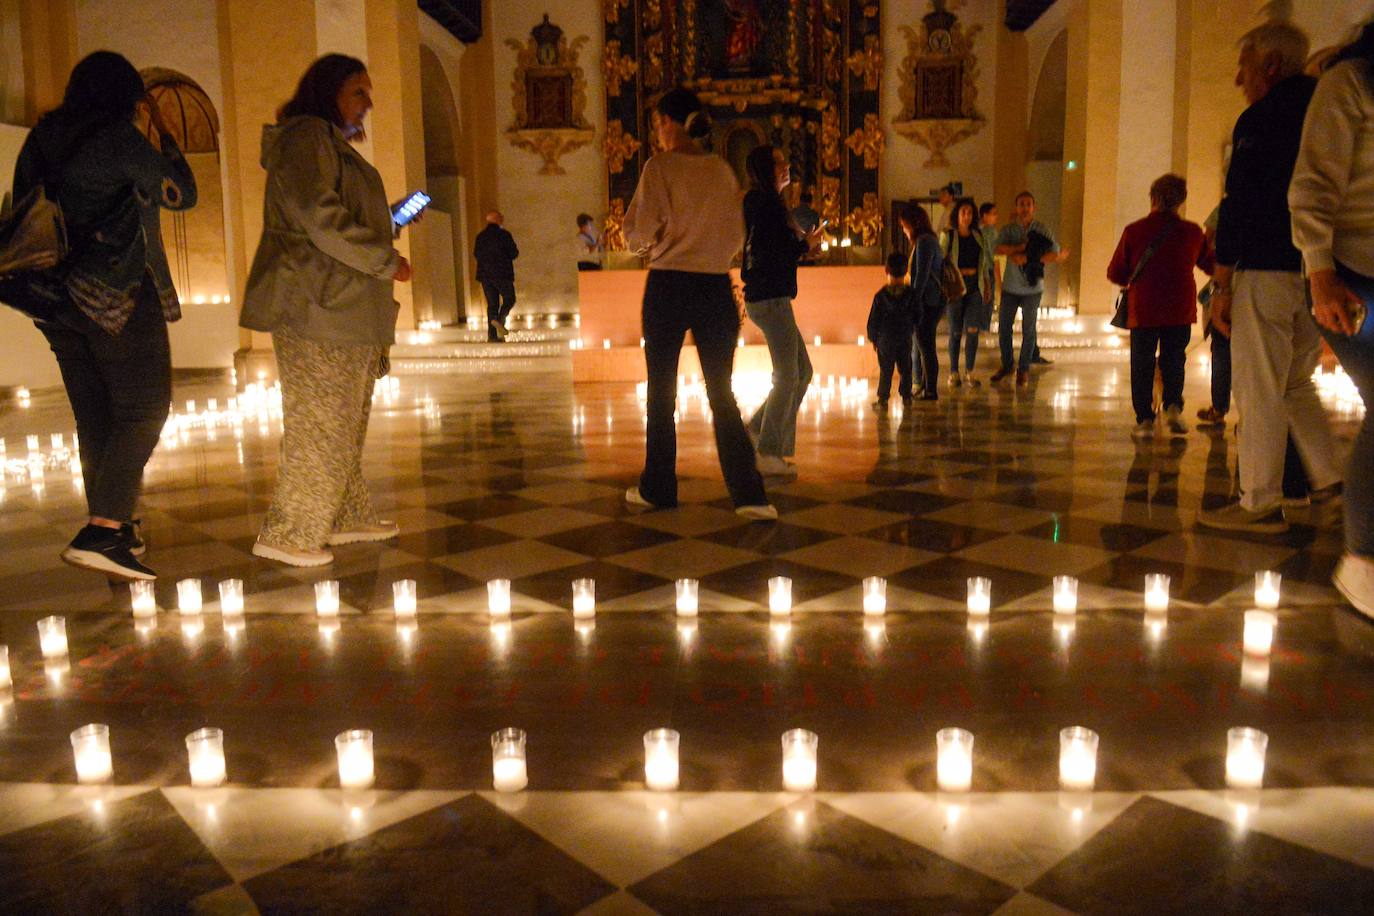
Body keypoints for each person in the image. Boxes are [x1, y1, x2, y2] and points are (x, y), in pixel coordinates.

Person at [13, 51, 196, 581]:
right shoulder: (118, 140)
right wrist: (161, 133)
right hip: (113, 294)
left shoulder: (41, 140)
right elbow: (181, 192)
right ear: (126, 97)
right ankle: (102, 529)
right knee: (144, 410)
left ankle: (118, 530)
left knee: (96, 417)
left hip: (51, 298)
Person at [239, 54, 412, 567]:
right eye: (359, 91)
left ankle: (343, 514)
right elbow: (320, 217)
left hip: (342, 304)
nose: (369, 103)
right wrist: (384, 259)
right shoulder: (306, 136)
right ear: (327, 92)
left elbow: (340, 215)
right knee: (320, 421)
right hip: (317, 304)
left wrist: (391, 223)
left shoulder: (327, 144)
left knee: (343, 419)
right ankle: (288, 532)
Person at [1199, 21, 1342, 535]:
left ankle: (1258, 499)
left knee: (1259, 387)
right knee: (1296, 382)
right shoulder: (1324, 108)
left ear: (1271, 66)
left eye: (1246, 67)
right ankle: (1327, 480)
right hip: (1316, 272)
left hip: (1266, 269)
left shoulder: (1260, 119)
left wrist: (1222, 283)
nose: (1240, 79)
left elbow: (1240, 204)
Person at [622, 88, 775, 520]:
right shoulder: (722, 171)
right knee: (721, 393)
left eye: (658, 125)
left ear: (672, 122)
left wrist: (643, 239)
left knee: (662, 391)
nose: (658, 134)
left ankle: (658, 487)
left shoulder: (660, 167)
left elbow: (640, 232)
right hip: (714, 288)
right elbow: (734, 237)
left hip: (668, 286)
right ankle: (750, 496)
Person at [1290, 21, 1374, 615]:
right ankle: (1363, 560)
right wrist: (1320, 271)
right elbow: (1313, 185)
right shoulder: (1350, 82)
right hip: (1353, 273)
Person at [1107, 174, 1214, 441]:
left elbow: (1116, 272)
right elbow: (1211, 265)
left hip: (1144, 308)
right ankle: (1173, 407)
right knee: (1174, 359)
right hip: (1180, 307)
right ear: (1181, 201)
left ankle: (1144, 419)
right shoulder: (1192, 232)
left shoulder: (1134, 231)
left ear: (1153, 198)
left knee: (1142, 363)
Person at [742, 144, 820, 477]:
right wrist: (804, 245)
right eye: (778, 162)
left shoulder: (765, 203)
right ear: (764, 168)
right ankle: (769, 453)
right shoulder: (766, 205)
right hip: (770, 299)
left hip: (770, 298)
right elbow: (774, 251)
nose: (786, 165)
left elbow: (772, 247)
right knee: (788, 376)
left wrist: (800, 245)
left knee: (802, 373)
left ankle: (759, 427)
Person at [993, 191, 1070, 388]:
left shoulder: (1042, 229)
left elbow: (1055, 253)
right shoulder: (1009, 229)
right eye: (1021, 204)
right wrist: (1020, 247)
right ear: (1016, 207)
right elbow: (997, 248)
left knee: (1029, 329)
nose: (1025, 208)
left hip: (1033, 288)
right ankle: (1008, 365)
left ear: (1034, 208)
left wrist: (1028, 258)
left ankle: (1024, 368)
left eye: (1028, 204)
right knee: (1004, 329)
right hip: (1010, 286)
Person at [942, 198, 993, 388]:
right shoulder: (949, 236)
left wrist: (987, 285)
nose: (967, 216)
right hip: (956, 286)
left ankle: (969, 371)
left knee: (973, 329)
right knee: (955, 331)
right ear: (957, 214)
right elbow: (941, 260)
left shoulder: (978, 235)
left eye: (970, 212)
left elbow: (986, 263)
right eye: (963, 212)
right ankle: (953, 372)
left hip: (975, 285)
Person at [898, 203, 944, 400]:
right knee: (925, 346)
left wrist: (914, 301)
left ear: (913, 223)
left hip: (928, 301)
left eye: (904, 225)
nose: (903, 229)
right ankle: (926, 387)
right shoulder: (927, 240)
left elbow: (922, 275)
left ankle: (931, 390)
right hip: (930, 300)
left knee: (926, 347)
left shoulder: (924, 241)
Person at [867, 253, 917, 408]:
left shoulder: (881, 296)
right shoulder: (911, 294)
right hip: (904, 337)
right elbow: (918, 315)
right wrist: (911, 327)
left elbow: (873, 320)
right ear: (905, 272)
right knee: (906, 367)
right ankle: (906, 396)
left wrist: (873, 338)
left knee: (886, 370)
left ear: (886, 271)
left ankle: (883, 399)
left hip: (885, 339)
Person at [1196, 205, 1230, 428]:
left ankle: (1218, 408)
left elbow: (1204, 244)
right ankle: (1253, 415)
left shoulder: (1227, 209)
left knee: (1222, 352)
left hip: (1228, 286)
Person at [475, 210, 518, 341]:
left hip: (485, 276)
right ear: (499, 220)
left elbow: (476, 254)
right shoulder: (504, 235)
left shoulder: (480, 236)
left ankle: (492, 336)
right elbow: (514, 253)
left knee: (492, 304)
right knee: (510, 299)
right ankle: (499, 320)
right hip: (502, 274)